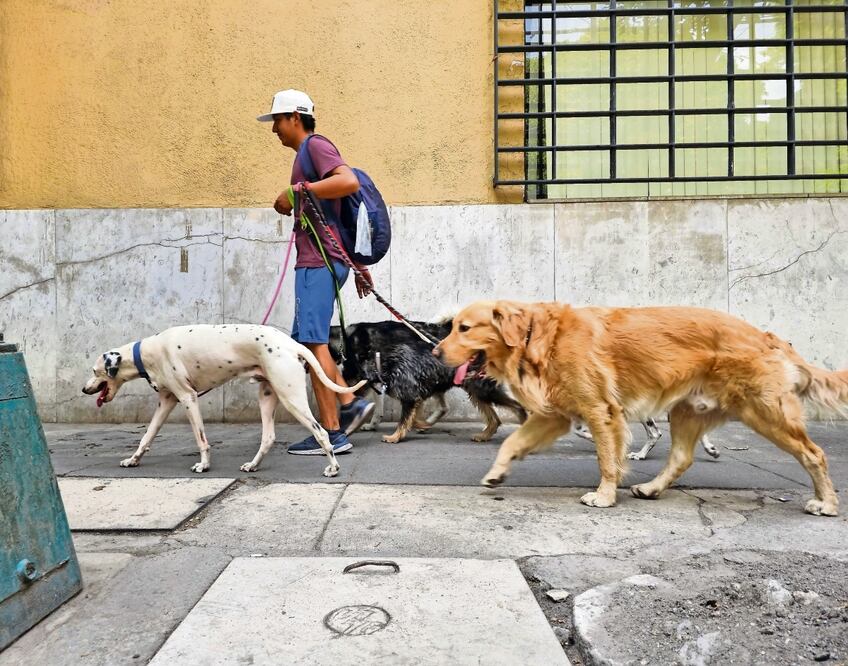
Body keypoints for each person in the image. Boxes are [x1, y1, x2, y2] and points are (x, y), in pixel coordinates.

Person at [257, 89, 374, 454]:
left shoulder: (315, 146)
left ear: (294, 116)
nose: (273, 129)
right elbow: (332, 220)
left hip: (317, 265)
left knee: (312, 343)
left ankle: (333, 433)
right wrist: (354, 265)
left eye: (276, 120)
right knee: (305, 345)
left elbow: (348, 181)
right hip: (325, 262)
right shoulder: (306, 156)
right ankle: (348, 404)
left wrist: (295, 193)